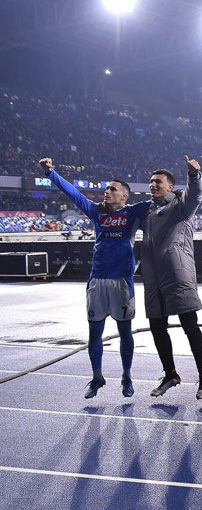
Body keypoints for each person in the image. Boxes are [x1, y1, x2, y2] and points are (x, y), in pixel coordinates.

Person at [39, 158, 151, 399]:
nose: (107, 192)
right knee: (94, 333)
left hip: (122, 282)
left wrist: (185, 191)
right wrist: (51, 173)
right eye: (106, 189)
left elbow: (161, 200)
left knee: (125, 332)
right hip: (97, 280)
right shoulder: (96, 212)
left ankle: (127, 375)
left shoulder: (133, 213)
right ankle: (97, 376)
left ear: (124, 197)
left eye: (113, 189)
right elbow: (74, 194)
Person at [143, 156, 202, 400]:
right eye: (151, 181)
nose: (153, 185)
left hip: (177, 274)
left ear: (170, 186)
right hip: (153, 279)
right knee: (156, 327)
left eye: (158, 182)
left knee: (189, 325)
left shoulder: (181, 205)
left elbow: (196, 196)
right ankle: (170, 374)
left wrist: (194, 176)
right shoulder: (149, 211)